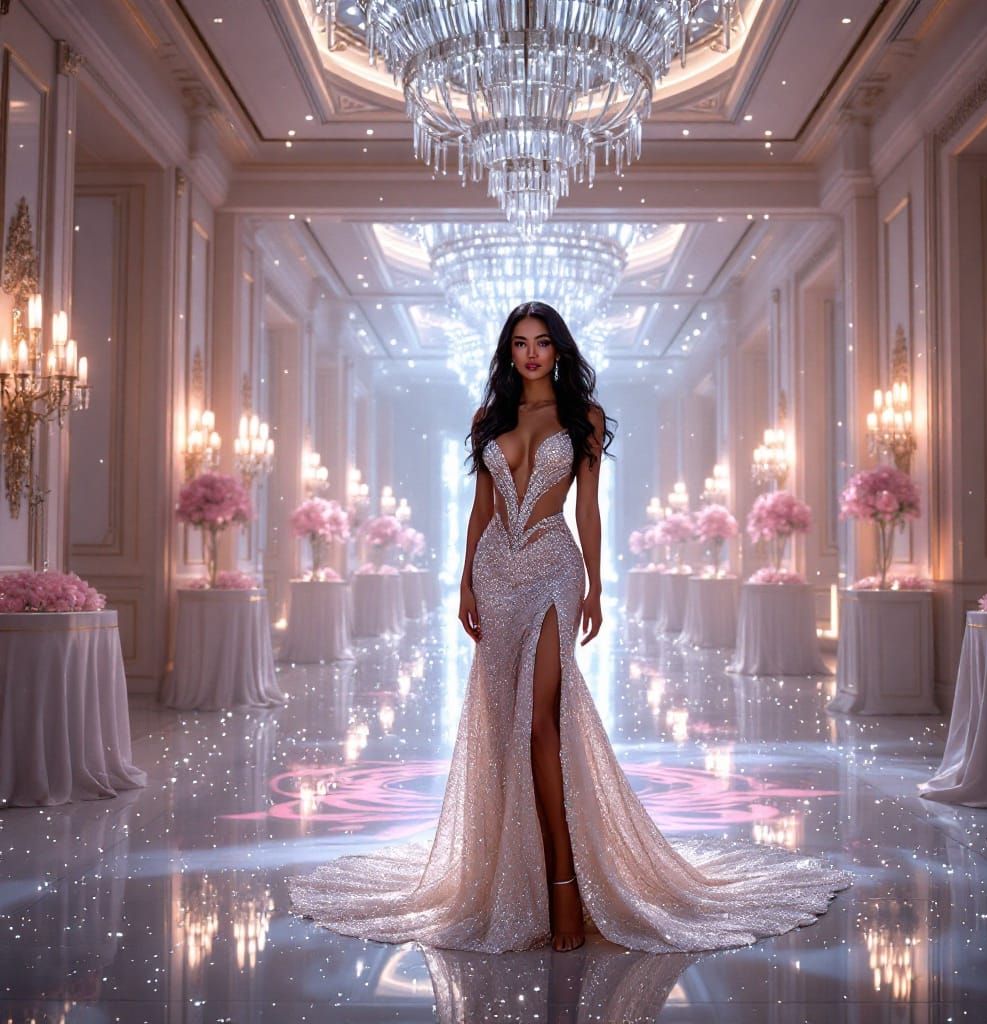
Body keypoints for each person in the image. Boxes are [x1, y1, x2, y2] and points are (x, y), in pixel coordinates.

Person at [288, 302, 851, 954]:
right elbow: (479, 510)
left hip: (556, 568)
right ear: (509, 353)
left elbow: (588, 506)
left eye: (543, 343)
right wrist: (466, 580)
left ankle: (564, 883)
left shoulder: (583, 419)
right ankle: (511, 874)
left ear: (559, 351)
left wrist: (596, 584)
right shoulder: (486, 422)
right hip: (497, 573)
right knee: (505, 721)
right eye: (521, 344)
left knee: (541, 721)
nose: (532, 354)